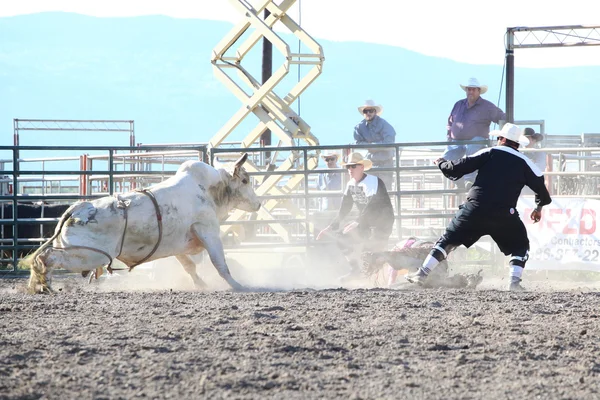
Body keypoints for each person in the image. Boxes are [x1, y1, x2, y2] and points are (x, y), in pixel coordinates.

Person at [406, 123, 552, 291]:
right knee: (520, 245)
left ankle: (422, 274)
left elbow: (458, 167)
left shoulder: (489, 152)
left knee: (447, 240)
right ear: (517, 143)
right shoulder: (526, 163)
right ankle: (514, 283)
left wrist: (442, 163)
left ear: (501, 139)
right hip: (504, 213)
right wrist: (538, 208)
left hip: (475, 208)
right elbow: (542, 190)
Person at [318, 152, 395, 282]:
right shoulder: (351, 185)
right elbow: (344, 208)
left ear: (361, 167)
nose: (350, 170)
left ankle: (378, 275)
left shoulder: (373, 181)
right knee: (342, 239)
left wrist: (358, 221)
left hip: (382, 222)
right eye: (348, 167)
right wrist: (331, 226)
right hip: (366, 221)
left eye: (353, 166)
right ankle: (356, 270)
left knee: (370, 250)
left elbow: (373, 204)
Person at [443, 78, 506, 189]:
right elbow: (450, 122)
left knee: (473, 147)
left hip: (477, 141)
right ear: (466, 90)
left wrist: (507, 123)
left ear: (478, 91)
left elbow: (502, 117)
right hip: (457, 141)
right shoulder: (458, 104)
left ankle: (469, 180)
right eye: (468, 89)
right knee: (446, 158)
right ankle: (459, 180)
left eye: (473, 89)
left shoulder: (487, 106)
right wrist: (449, 136)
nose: (470, 92)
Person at [354, 99, 396, 190]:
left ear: (375, 112)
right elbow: (357, 142)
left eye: (371, 110)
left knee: (385, 191)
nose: (368, 113)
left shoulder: (384, 125)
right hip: (370, 164)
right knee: (370, 190)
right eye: (366, 111)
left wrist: (373, 146)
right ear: (363, 113)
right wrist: (371, 146)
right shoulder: (359, 127)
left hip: (385, 163)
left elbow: (389, 143)